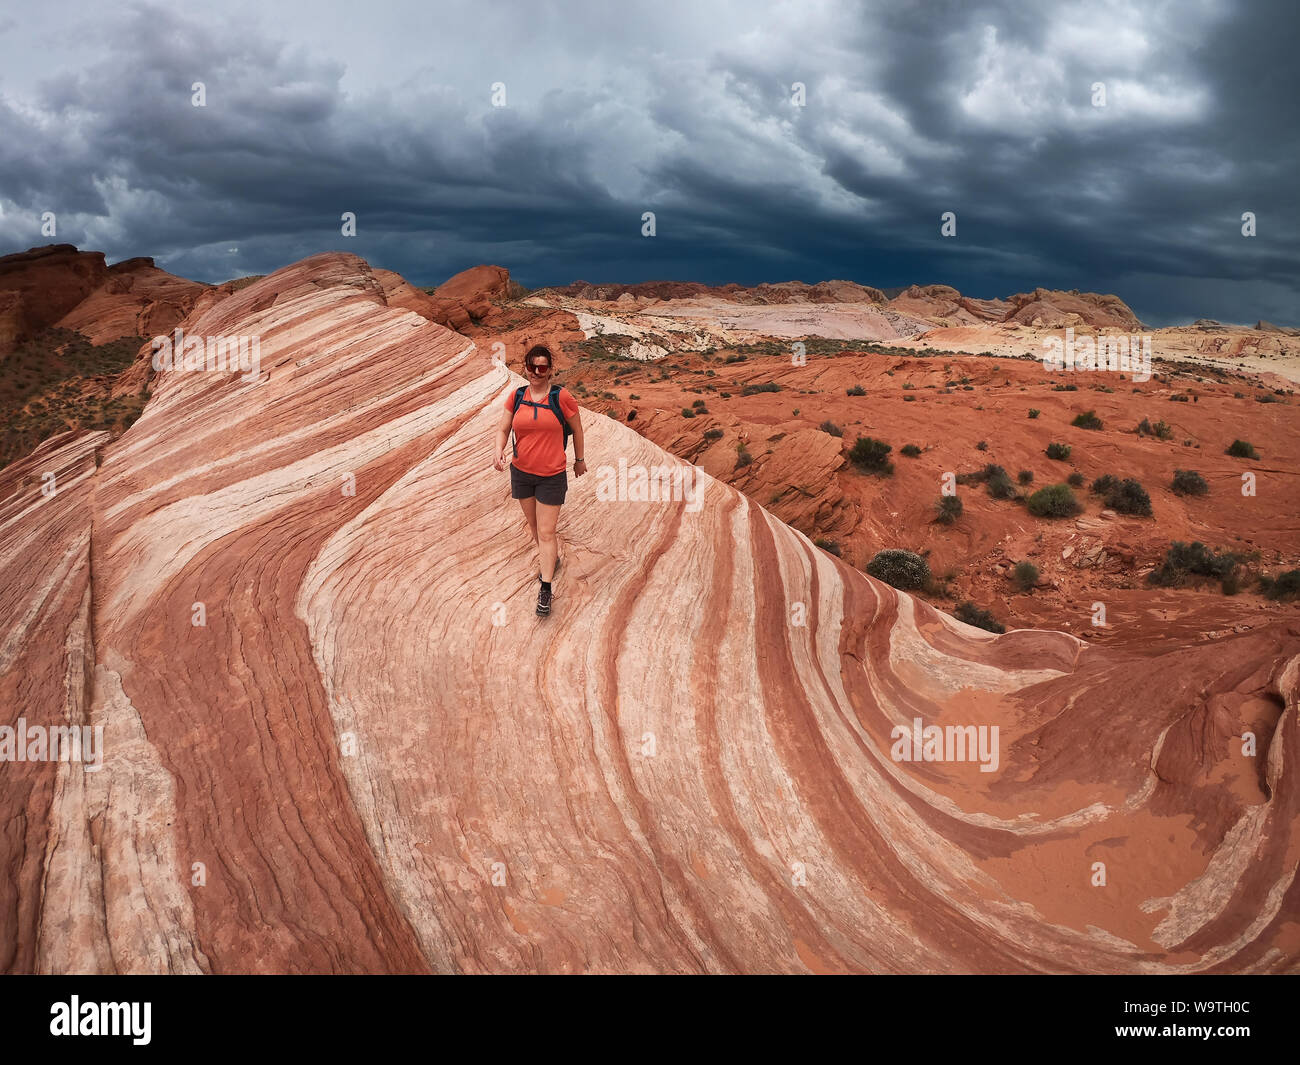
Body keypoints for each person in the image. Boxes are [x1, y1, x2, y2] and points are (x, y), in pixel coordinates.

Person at [492, 344, 586, 616]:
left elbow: (577, 431)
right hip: (521, 473)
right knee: (534, 526)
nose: (536, 372)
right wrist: (498, 449)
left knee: (546, 532)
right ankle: (551, 559)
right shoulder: (516, 396)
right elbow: (503, 427)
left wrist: (579, 460)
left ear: (550, 370)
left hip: (551, 475)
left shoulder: (562, 397)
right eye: (531, 367)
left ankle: (545, 589)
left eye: (542, 367)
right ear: (525, 368)